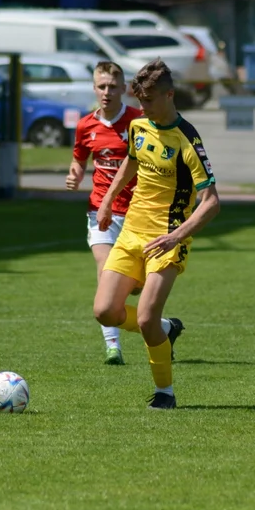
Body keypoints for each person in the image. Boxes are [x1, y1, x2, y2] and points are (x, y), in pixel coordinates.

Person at [93, 58, 221, 409]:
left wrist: (176, 237)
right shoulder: (138, 126)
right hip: (131, 231)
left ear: (169, 94)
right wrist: (107, 202)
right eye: (139, 100)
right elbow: (130, 163)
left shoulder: (187, 140)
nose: (142, 107)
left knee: (145, 318)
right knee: (105, 311)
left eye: (148, 100)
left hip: (166, 238)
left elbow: (211, 203)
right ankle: (167, 329)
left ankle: (165, 392)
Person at [66, 61, 143, 365]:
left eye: (113, 86)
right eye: (101, 86)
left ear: (124, 89)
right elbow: (78, 158)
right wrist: (75, 174)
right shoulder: (86, 125)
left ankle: (162, 328)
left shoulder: (139, 121)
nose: (107, 92)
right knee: (105, 269)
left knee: (135, 286)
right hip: (100, 210)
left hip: (136, 213)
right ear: (94, 88)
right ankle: (113, 346)